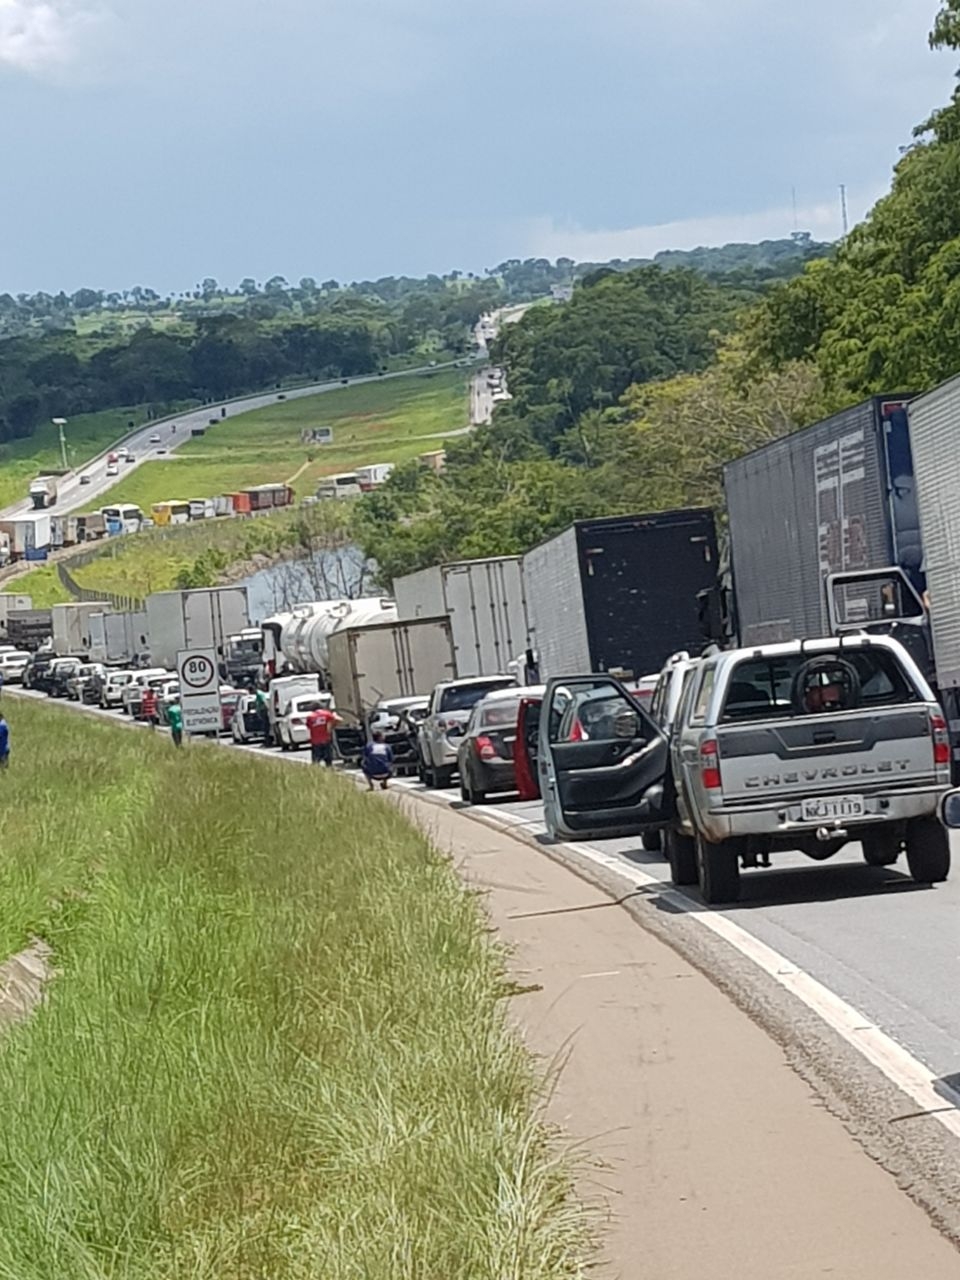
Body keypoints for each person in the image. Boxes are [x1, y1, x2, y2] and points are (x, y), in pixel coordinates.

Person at [306, 701, 342, 767]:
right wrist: (332, 726)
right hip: (326, 740)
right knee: (328, 762)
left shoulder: (310, 717)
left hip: (315, 742)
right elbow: (339, 719)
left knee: (316, 762)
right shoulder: (327, 714)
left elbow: (309, 727)